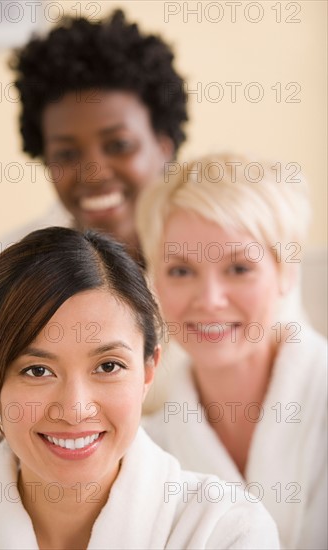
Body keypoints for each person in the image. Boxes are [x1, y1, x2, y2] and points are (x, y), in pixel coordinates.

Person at [0, 9, 187, 468]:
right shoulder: (1, 271)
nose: (93, 173)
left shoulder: (223, 256)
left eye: (118, 145)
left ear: (163, 143)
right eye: (66, 153)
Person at [0, 227, 279, 550]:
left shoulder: (226, 531)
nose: (75, 409)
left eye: (108, 366)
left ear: (147, 371)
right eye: (38, 370)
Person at [137, 154, 327, 550]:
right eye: (181, 271)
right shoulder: (149, 448)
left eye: (239, 268)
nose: (209, 300)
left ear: (286, 273)